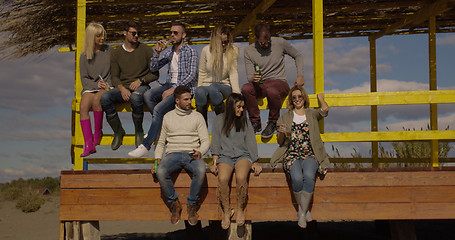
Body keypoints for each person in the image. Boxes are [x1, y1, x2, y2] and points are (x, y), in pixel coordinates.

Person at [128, 22, 198, 158]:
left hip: (184, 88)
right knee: (148, 95)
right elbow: (153, 68)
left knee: (159, 109)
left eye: (176, 33)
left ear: (183, 35)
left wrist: (173, 89)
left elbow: (192, 75)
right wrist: (157, 52)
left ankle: (146, 145)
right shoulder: (169, 51)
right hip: (169, 84)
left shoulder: (191, 52)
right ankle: (159, 127)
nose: (172, 35)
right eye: (171, 32)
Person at [270, 85, 330, 229]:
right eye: (294, 97)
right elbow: (280, 141)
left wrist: (321, 99)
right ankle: (305, 210)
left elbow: (325, 111)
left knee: (309, 175)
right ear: (291, 100)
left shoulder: (311, 114)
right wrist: (282, 132)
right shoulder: (285, 117)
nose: (297, 99)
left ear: (304, 98)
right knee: (296, 178)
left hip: (310, 153)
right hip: (292, 154)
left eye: (300, 96)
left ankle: (301, 213)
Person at [154, 86, 209, 226]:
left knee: (201, 170)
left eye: (190, 98)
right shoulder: (167, 117)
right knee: (160, 171)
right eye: (186, 99)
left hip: (192, 153)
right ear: (177, 100)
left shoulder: (197, 116)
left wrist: (200, 152)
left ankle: (192, 205)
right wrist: (157, 161)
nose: (190, 102)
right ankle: (174, 203)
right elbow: (160, 142)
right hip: (173, 153)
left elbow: (205, 140)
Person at [100, 21, 159, 150]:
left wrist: (141, 81)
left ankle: (138, 131)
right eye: (133, 33)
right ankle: (118, 131)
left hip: (142, 87)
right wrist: (121, 89)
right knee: (105, 98)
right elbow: (114, 76)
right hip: (123, 88)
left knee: (136, 98)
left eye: (138, 33)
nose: (136, 35)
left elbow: (155, 74)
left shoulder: (146, 50)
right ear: (125, 33)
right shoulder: (116, 53)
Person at [209, 93, 262, 229]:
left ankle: (239, 209)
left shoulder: (245, 120)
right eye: (238, 107)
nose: (241, 110)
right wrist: (214, 163)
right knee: (222, 178)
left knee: (241, 176)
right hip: (225, 156)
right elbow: (215, 143)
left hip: (242, 155)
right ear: (231, 106)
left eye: (243, 107)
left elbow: (251, 141)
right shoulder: (218, 120)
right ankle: (227, 211)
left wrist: (255, 161)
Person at [242, 23, 304, 138]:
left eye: (268, 41)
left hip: (279, 82)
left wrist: (300, 75)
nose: (266, 45)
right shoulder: (248, 51)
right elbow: (249, 76)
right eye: (262, 43)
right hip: (261, 84)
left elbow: (298, 55)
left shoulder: (279, 42)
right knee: (246, 88)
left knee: (272, 90)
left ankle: (273, 122)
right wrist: (253, 77)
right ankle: (255, 122)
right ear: (255, 39)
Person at [195, 25, 240, 124]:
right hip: (207, 85)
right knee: (199, 92)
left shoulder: (233, 50)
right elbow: (202, 71)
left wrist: (236, 92)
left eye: (226, 42)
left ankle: (225, 122)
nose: (224, 44)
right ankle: (202, 127)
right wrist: (199, 88)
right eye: (221, 42)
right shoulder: (206, 50)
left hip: (225, 86)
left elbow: (233, 72)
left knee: (213, 88)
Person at [79, 22, 111, 157]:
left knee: (98, 99)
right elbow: (84, 78)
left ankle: (98, 132)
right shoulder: (84, 56)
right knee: (83, 106)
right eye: (98, 36)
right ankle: (88, 144)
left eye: (103, 34)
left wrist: (107, 84)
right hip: (91, 87)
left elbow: (115, 71)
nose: (102, 38)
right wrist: (94, 86)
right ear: (91, 37)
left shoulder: (109, 51)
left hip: (107, 86)